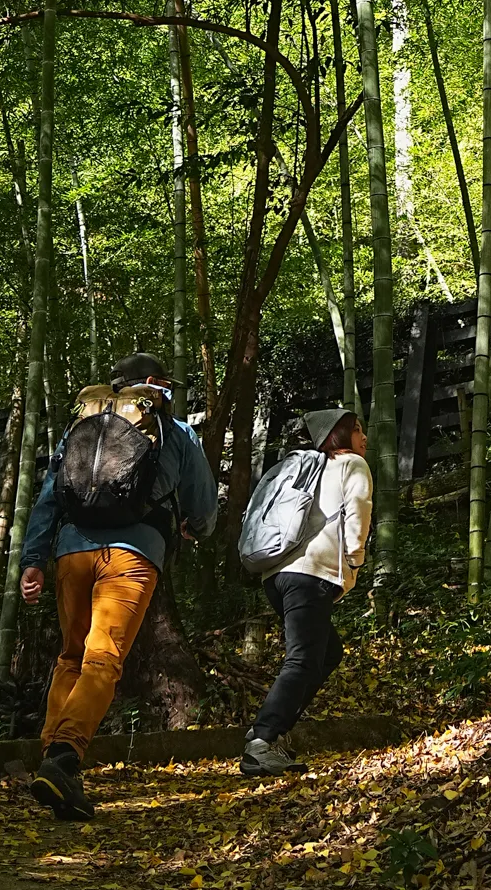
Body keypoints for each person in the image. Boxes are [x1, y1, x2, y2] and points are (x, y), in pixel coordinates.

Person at [19, 350, 218, 821]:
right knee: (103, 658)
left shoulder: (77, 431)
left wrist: (34, 561)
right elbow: (203, 504)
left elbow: (49, 498)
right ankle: (64, 758)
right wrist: (196, 527)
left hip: (71, 551)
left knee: (71, 658)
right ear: (151, 384)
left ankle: (55, 764)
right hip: (133, 555)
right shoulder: (174, 431)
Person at [241, 404, 373, 777]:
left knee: (327, 652)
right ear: (340, 436)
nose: (364, 437)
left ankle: (273, 733)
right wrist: (356, 560)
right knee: (302, 658)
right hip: (310, 574)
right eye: (358, 430)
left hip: (276, 576)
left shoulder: (303, 470)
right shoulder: (351, 465)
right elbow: (359, 512)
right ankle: (262, 740)